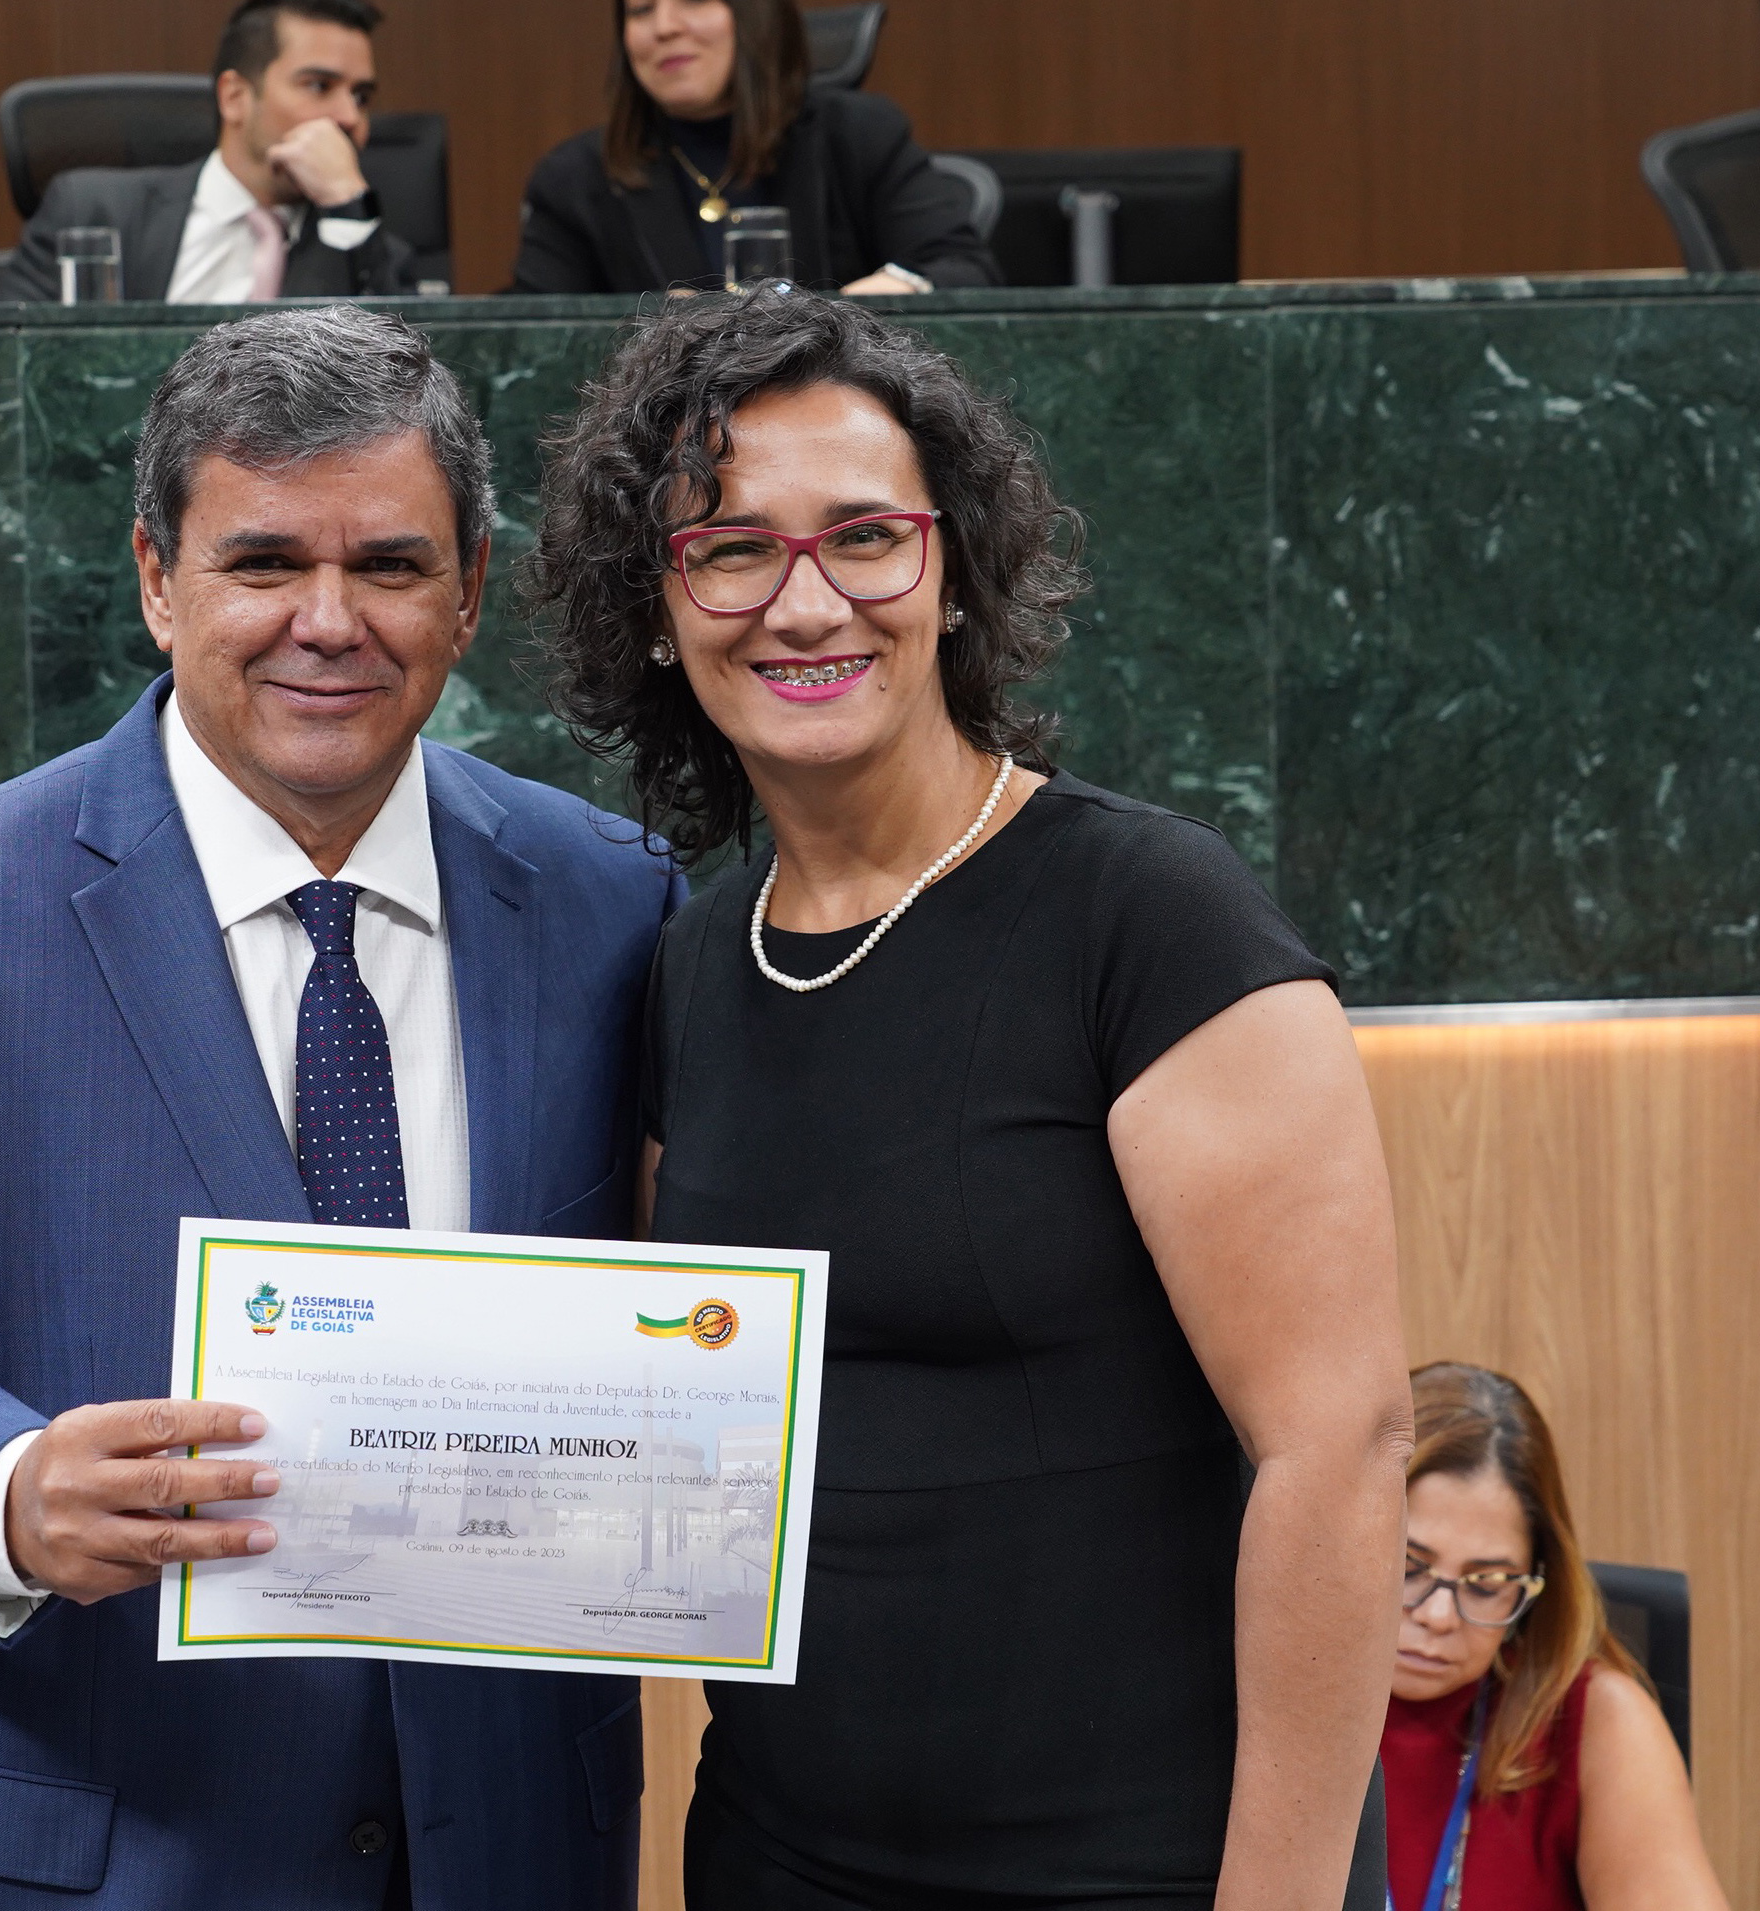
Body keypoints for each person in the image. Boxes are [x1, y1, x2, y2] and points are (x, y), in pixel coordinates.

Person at [0, 304, 678, 1907]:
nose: (327, 621)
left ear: (471, 590)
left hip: (498, 1846)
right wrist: (4, 1490)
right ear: (158, 579)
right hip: (70, 1847)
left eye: (391, 565)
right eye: (263, 562)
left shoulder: (613, 898)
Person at [528, 289, 1408, 1909]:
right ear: (654, 607)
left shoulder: (1144, 915)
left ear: (950, 575)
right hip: (779, 1861)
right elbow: (672, 1445)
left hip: (1141, 1870)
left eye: (865, 538)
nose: (805, 603)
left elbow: (1337, 1452)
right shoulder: (689, 967)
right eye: (729, 549)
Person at [1383, 1363, 1731, 1911]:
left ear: (1535, 1584)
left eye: (1487, 1584)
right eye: (1409, 1567)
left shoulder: (1597, 1721)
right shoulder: (1258, 1701)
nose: (1440, 1615)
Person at [508, 0, 999, 296]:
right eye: (640, 10)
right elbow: (528, 333)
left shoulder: (861, 134)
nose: (664, 27)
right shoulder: (575, 177)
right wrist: (651, 327)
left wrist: (872, 301)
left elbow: (962, 270)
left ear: (754, 15)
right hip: (660, 430)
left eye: (694, 0)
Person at [10, 0, 412, 304]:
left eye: (361, 96)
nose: (350, 117)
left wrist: (347, 202)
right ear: (235, 97)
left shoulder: (368, 251)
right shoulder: (90, 210)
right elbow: (7, 368)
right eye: (319, 86)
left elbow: (408, 378)